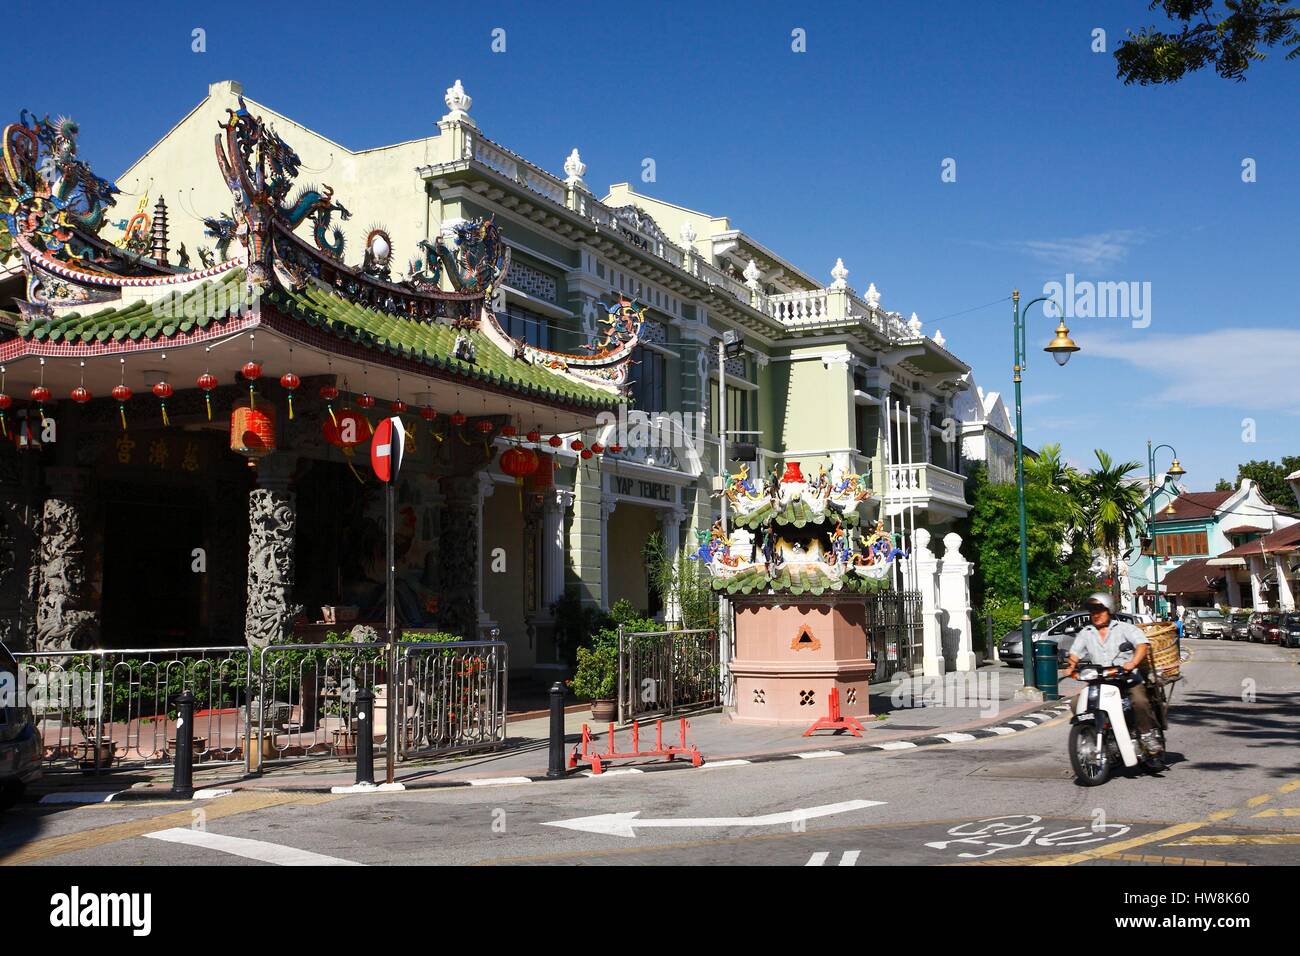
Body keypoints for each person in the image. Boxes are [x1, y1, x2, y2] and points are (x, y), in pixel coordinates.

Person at [1064, 592, 1163, 761]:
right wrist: (1071, 666)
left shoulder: (1124, 628)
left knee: (1139, 701)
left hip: (1127, 679)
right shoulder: (1086, 633)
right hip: (1100, 682)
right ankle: (1100, 737)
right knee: (1076, 703)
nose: (1095, 615)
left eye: (1099, 610)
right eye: (1092, 611)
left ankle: (1147, 735)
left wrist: (1133, 663)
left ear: (1109, 610)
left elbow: (1141, 645)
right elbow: (1075, 653)